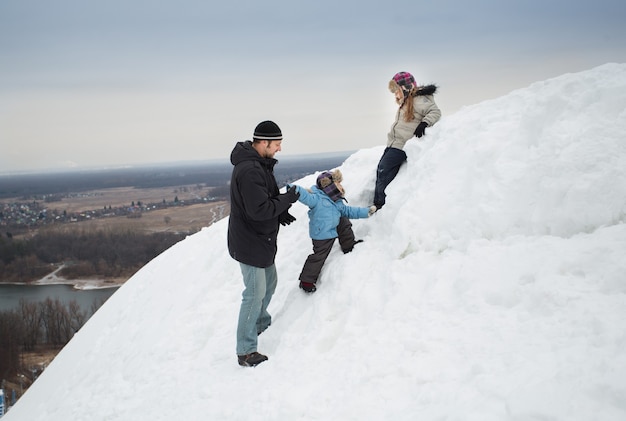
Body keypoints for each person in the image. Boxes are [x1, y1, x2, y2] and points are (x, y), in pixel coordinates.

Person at [227, 120, 300, 367]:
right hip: (250, 241)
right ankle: (246, 351)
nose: (279, 149)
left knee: (269, 282)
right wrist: (287, 201)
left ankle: (259, 325)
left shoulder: (260, 166)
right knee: (254, 292)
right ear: (264, 143)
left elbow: (265, 199)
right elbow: (259, 209)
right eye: (277, 144)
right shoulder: (250, 170)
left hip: (259, 239)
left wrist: (279, 211)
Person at [290, 169, 376, 293]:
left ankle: (348, 245)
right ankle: (306, 281)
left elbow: (348, 211)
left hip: (333, 226)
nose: (341, 186)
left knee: (344, 220)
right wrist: (292, 189)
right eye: (338, 183)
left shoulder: (337, 200)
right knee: (319, 256)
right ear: (329, 185)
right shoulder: (316, 198)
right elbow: (305, 196)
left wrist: (366, 212)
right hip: (322, 233)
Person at [373, 71, 441, 210]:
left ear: (405, 87)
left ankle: (379, 205)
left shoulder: (419, 99)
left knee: (383, 170)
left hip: (402, 146)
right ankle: (379, 202)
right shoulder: (407, 101)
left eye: (397, 91)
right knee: (381, 170)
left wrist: (424, 123)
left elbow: (435, 112)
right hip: (394, 144)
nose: (396, 95)